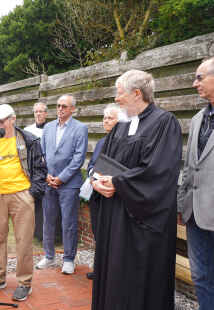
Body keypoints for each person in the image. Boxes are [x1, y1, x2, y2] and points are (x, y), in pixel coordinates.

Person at [91, 69, 182, 310]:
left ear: (137, 93)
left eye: (119, 93)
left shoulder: (164, 122)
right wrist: (96, 181)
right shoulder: (121, 126)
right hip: (114, 216)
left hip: (140, 222)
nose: (116, 99)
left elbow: (159, 171)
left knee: (135, 281)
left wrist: (118, 182)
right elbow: (102, 162)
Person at [0, 104, 47, 301]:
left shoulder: (29, 140)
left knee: (23, 241)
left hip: (22, 194)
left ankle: (24, 283)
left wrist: (32, 193)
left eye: (1, 121)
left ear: (12, 119)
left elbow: (40, 169)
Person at [36, 94, 88, 274]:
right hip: (49, 182)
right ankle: (49, 256)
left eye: (64, 106)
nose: (60, 109)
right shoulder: (48, 127)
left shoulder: (80, 128)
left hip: (69, 184)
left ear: (72, 109)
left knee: (69, 222)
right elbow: (41, 154)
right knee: (48, 221)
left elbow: (78, 157)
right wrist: (47, 175)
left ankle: (68, 259)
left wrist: (62, 178)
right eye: (58, 106)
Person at [178, 57, 214, 310]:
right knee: (201, 277)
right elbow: (190, 167)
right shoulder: (198, 119)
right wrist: (182, 205)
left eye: (199, 77)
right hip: (195, 216)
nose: (194, 83)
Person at [85, 103, 126, 280]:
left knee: (114, 238)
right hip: (97, 195)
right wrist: (93, 176)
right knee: (98, 232)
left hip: (114, 196)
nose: (105, 121)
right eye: (104, 117)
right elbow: (92, 164)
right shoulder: (101, 141)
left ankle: (112, 272)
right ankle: (100, 269)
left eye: (110, 117)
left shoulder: (125, 143)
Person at [24, 102, 48, 241]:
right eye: (36, 112)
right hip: (33, 170)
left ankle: (47, 233)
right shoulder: (27, 130)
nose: (38, 114)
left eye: (41, 111)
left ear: (46, 113)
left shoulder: (52, 128)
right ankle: (35, 232)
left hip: (48, 169)